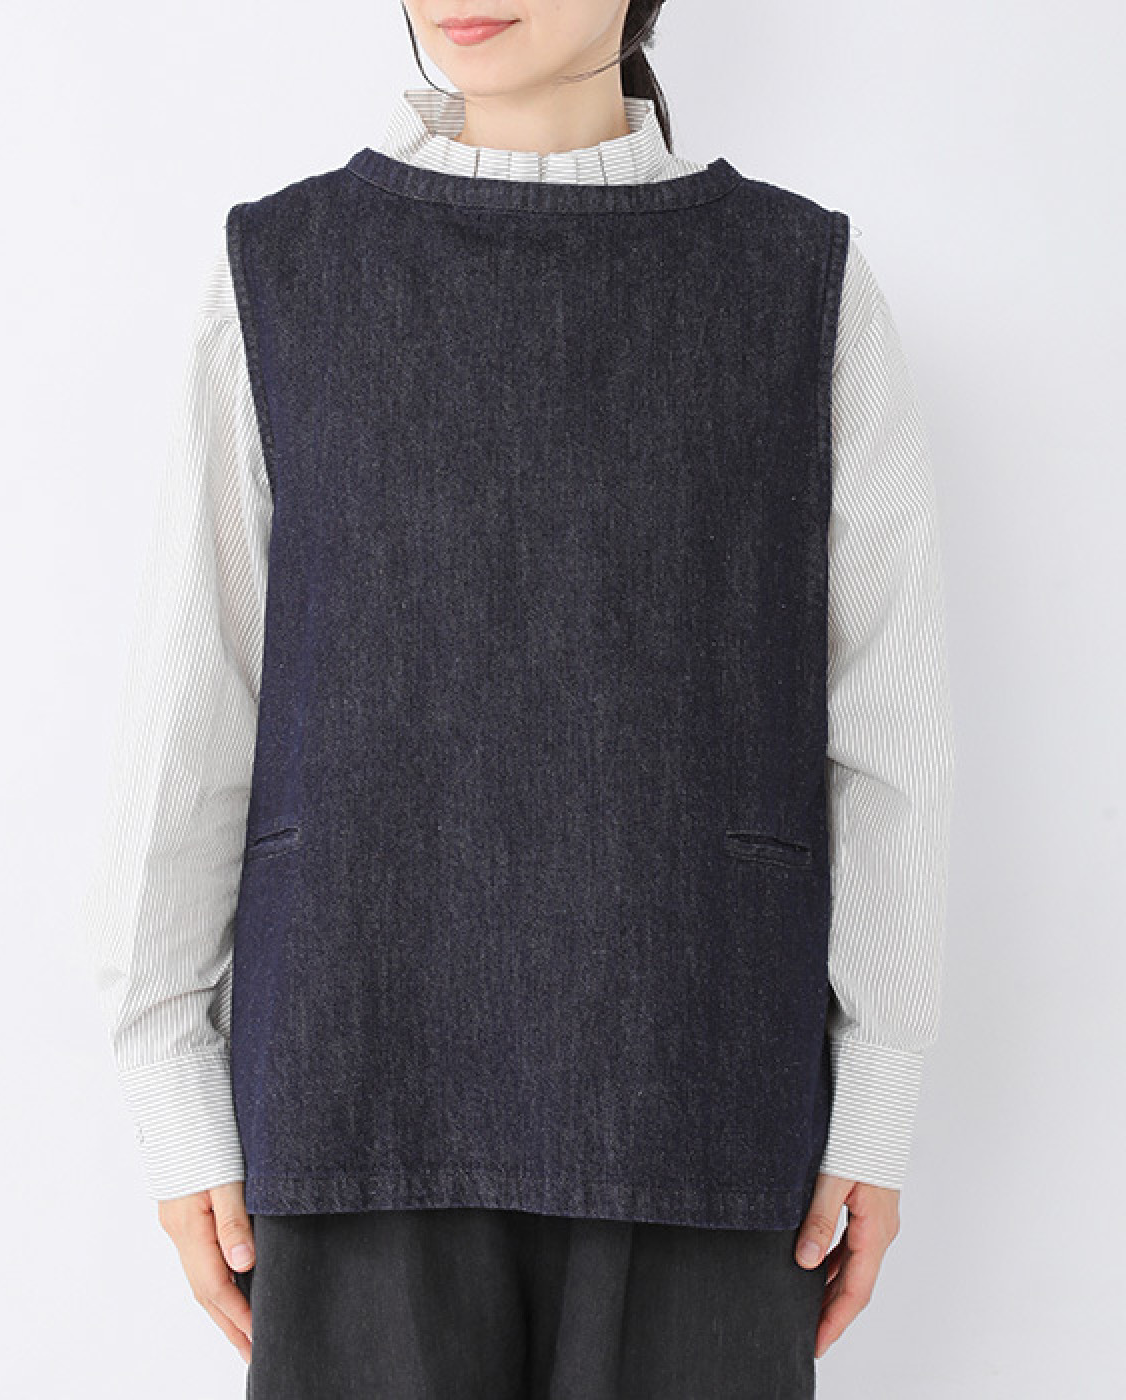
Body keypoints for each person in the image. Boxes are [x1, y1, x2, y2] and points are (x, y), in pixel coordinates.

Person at [83, 2, 955, 1395]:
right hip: (358, 1065)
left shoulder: (801, 283)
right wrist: (165, 1076)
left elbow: (890, 727)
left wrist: (884, 1086)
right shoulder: (286, 272)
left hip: (700, 1065)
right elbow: (196, 703)